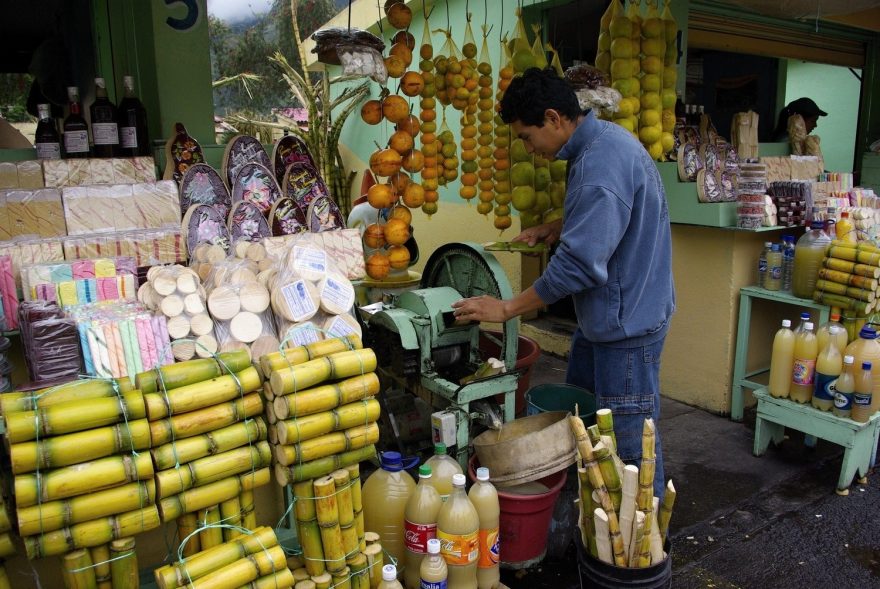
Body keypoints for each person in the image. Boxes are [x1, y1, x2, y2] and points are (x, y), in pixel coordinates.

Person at [451, 67, 674, 497]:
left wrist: (507, 309)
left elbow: (578, 266)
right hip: (610, 318)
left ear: (554, 118)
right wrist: (560, 225)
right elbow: (612, 217)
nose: (528, 148)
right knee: (585, 428)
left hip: (626, 329)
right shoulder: (604, 142)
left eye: (526, 137)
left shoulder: (598, 166)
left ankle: (641, 553)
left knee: (627, 448)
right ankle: (595, 524)